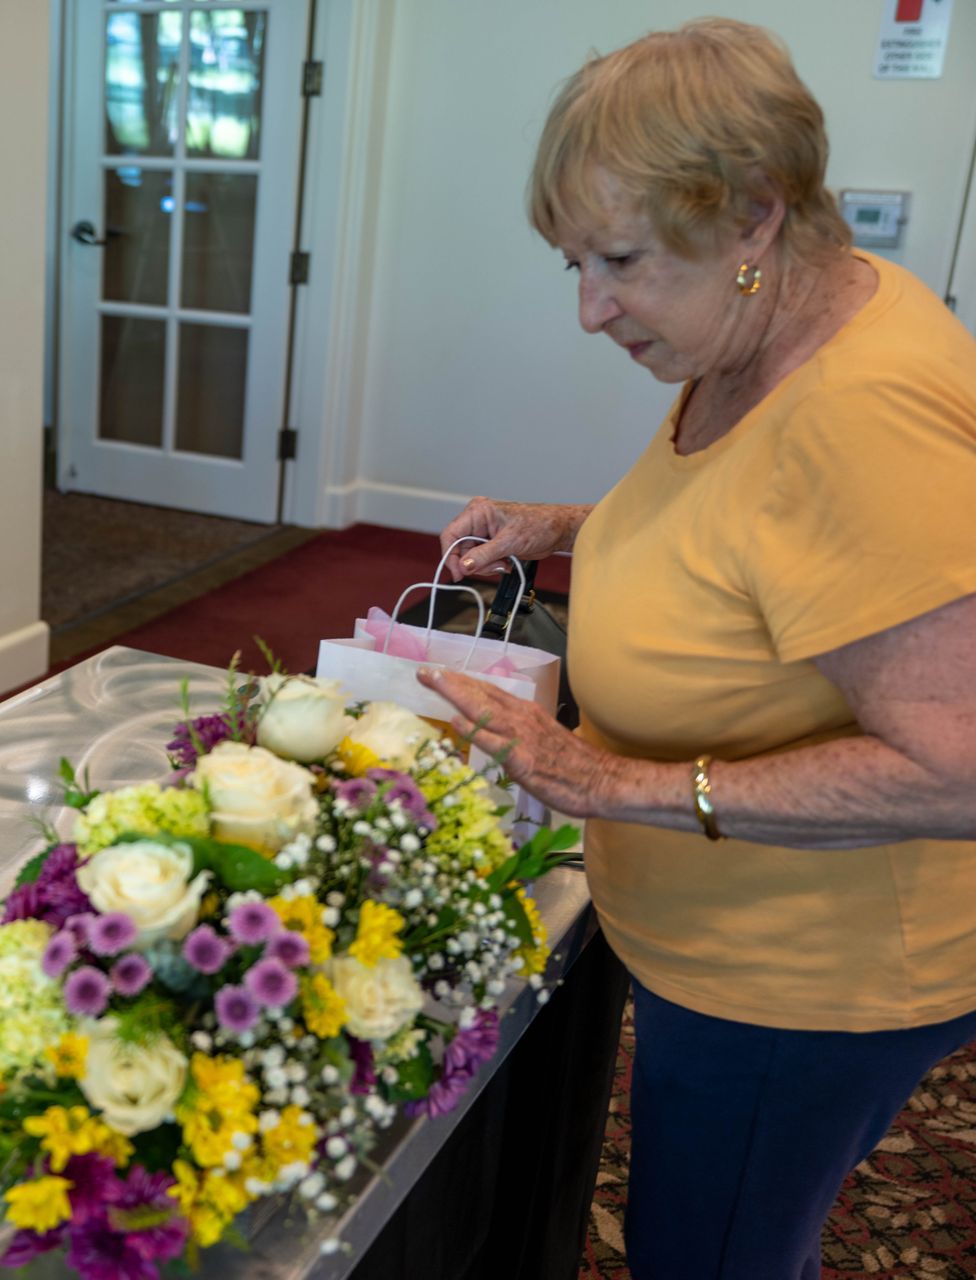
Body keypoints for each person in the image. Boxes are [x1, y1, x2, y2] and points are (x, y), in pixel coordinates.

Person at [415, 20, 976, 1280]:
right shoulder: (771, 324)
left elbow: (960, 768)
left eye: (618, 259)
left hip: (806, 979)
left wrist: (612, 783)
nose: (588, 308)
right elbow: (749, 532)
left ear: (754, 218)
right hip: (736, 935)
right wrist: (566, 527)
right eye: (572, 261)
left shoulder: (862, 412)